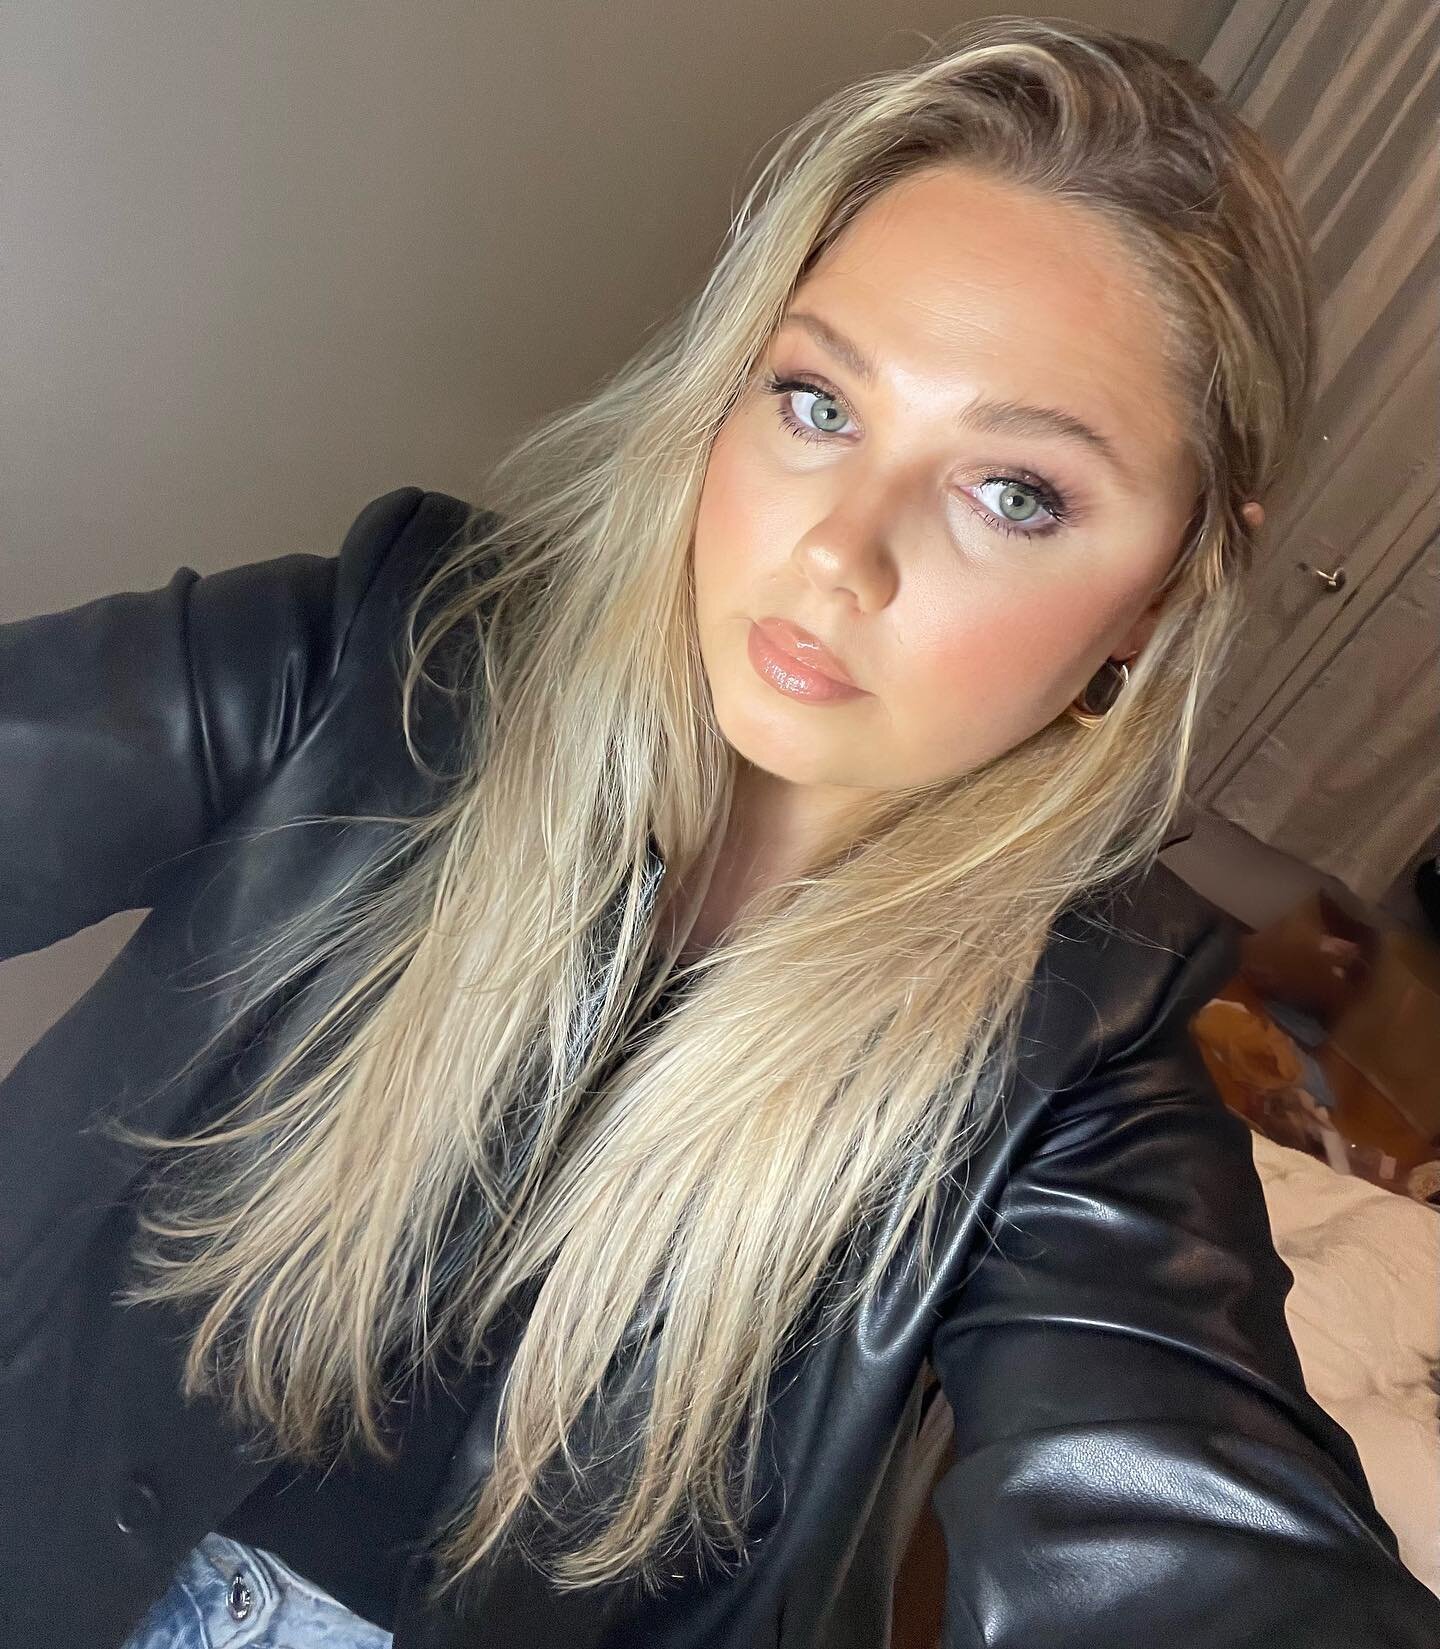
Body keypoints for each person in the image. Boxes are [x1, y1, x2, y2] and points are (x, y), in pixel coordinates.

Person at [2, 16, 1437, 1649]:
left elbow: (1209, 1545)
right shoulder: (380, 660)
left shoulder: (1075, 1077)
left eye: (1015, 492)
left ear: (1163, 593)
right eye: (818, 401)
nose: (840, 553)